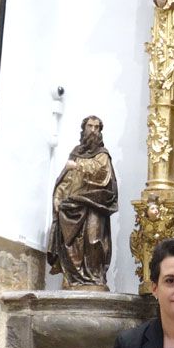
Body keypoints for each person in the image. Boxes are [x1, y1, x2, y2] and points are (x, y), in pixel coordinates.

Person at [47, 116, 119, 289]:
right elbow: (66, 178)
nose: (93, 130)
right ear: (83, 128)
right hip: (73, 205)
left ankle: (95, 277)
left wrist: (78, 166)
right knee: (71, 242)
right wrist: (58, 196)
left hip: (94, 204)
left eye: (96, 127)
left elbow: (103, 175)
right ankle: (73, 278)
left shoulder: (103, 155)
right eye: (90, 126)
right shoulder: (76, 152)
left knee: (93, 240)